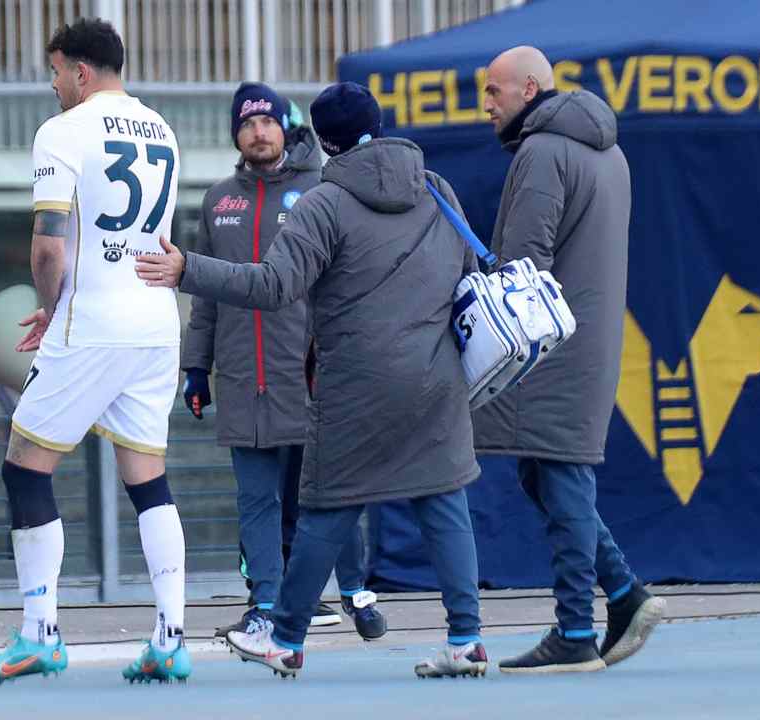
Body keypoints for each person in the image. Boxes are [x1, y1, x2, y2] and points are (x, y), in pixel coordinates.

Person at [138, 82, 488, 680]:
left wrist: (187, 270)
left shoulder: (325, 202)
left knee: (325, 507)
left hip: (354, 383)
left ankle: (286, 637)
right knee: (442, 498)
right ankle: (466, 640)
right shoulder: (434, 187)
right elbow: (468, 271)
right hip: (436, 377)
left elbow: (272, 286)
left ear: (321, 140)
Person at [0, 19, 190, 685]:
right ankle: (171, 636)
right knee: (147, 477)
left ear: (80, 72)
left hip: (91, 319)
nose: (53, 83)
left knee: (25, 468)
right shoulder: (161, 128)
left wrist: (53, 303)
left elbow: (48, 244)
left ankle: (40, 634)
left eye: (55, 71)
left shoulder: (63, 131)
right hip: (154, 320)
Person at [477, 46, 666, 674]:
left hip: (550, 349)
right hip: (589, 342)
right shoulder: (609, 152)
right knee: (551, 476)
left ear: (529, 89)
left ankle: (576, 631)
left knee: (558, 478)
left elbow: (525, 267)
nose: (487, 107)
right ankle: (624, 596)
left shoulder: (541, 151)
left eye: (495, 93)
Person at [184, 82, 381, 641]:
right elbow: (206, 297)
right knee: (256, 501)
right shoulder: (218, 199)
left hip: (313, 373)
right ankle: (265, 602)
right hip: (245, 378)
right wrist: (196, 368)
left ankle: (355, 591)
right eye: (247, 124)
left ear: (286, 127)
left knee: (330, 490)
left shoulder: (322, 188)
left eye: (268, 121)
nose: (258, 132)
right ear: (237, 136)